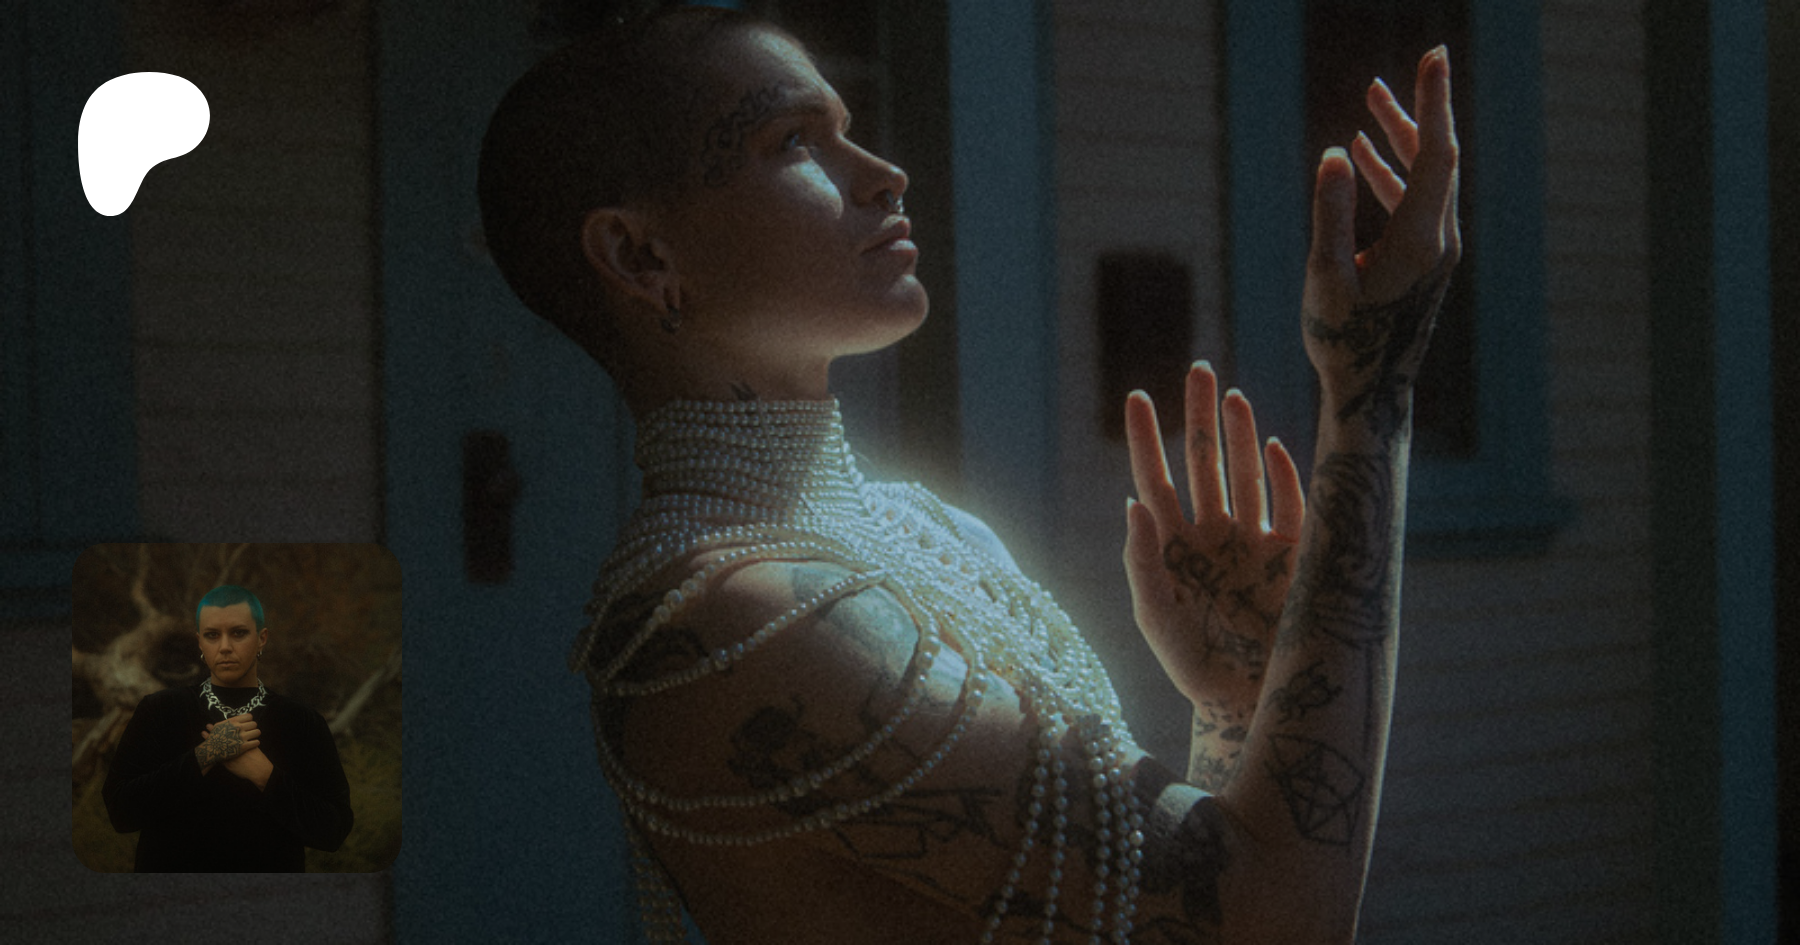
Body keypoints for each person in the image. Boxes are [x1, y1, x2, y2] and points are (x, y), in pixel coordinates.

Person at [478, 5, 1458, 941]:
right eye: (794, 141)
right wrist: (1371, 390)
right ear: (640, 255)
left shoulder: (923, 533)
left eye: (849, 129)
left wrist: (1235, 704)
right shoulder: (740, 617)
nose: (884, 175)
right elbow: (1277, 918)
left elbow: (1171, 919)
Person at [102, 585, 355, 872]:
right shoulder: (159, 710)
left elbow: (334, 830)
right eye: (212, 635)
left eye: (238, 633)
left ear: (261, 639)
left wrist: (266, 776)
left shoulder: (302, 722)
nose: (224, 646)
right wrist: (205, 755)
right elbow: (120, 812)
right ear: (199, 642)